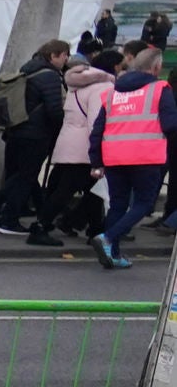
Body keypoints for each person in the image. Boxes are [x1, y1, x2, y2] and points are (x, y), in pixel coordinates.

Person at [92, 44, 165, 270]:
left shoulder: (113, 93)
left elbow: (98, 128)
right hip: (146, 155)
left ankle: (112, 254)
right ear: (155, 68)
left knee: (117, 205)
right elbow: (171, 124)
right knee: (143, 203)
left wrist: (96, 160)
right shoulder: (160, 89)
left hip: (114, 156)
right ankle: (108, 237)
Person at [0, 40, 68, 231]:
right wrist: (60, 129)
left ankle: (5, 210)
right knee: (25, 176)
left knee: (19, 175)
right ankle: (4, 214)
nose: (66, 60)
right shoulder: (49, 76)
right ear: (54, 56)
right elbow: (54, 109)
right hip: (36, 133)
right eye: (65, 55)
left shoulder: (28, 69)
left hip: (17, 128)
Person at [45, 53, 115, 251]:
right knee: (69, 190)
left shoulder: (76, 85)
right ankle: (41, 225)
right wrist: (100, 150)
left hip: (70, 143)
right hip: (85, 148)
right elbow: (96, 121)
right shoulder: (103, 87)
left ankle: (94, 229)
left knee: (92, 190)